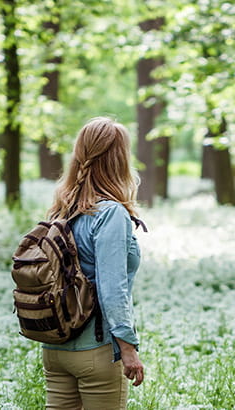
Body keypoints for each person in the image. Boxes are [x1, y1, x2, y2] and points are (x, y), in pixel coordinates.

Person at [42, 116, 145, 409]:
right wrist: (127, 348)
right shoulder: (111, 213)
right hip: (96, 350)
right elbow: (112, 289)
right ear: (119, 160)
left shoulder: (62, 208)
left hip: (55, 349)